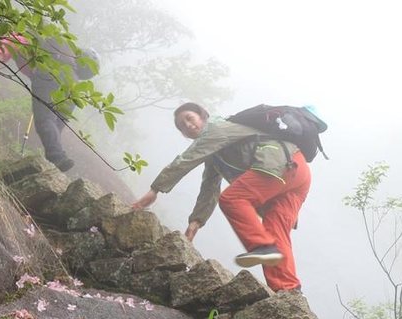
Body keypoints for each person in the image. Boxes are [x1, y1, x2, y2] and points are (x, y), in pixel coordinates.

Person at [131, 102, 311, 292]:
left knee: (232, 199)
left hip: (281, 163)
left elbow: (188, 158)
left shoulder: (216, 127)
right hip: (297, 172)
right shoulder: (215, 154)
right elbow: (209, 186)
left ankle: (262, 246)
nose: (188, 126)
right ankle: (288, 290)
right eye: (182, 126)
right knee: (275, 230)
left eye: (189, 119)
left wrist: (155, 190)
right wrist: (196, 222)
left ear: (203, 116)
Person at [0, 35, 79, 172]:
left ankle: (57, 158)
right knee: (55, 125)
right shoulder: (35, 40)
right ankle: (56, 160)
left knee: (45, 119)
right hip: (71, 80)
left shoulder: (8, 41)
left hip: (48, 76)